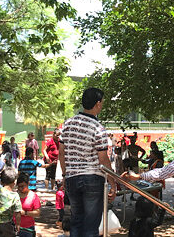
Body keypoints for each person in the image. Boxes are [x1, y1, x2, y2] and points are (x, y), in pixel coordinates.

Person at [60, 87, 116, 237]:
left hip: (72, 178)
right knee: (91, 226)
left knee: (76, 221)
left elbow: (61, 153)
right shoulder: (98, 128)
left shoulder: (68, 124)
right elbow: (103, 159)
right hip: (93, 178)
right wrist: (113, 182)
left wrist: (65, 175)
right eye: (102, 102)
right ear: (97, 103)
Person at [0, 167, 22, 236]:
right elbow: (17, 212)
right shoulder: (15, 196)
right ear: (14, 182)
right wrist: (18, 224)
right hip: (7, 224)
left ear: (1, 182)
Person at [16, 172, 41, 237]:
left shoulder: (33, 196)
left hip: (28, 228)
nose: (20, 188)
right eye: (19, 186)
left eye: (23, 186)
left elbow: (37, 213)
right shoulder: (14, 195)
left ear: (28, 184)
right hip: (14, 226)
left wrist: (25, 213)